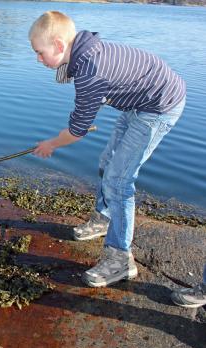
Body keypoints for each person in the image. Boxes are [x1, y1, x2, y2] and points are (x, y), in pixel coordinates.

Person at [27, 11, 194, 290]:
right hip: (138, 102)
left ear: (58, 45)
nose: (38, 59)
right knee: (107, 162)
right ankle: (104, 218)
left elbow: (77, 131)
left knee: (119, 179)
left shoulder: (91, 71)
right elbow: (94, 80)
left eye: (40, 53)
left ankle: (120, 260)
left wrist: (51, 144)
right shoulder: (83, 50)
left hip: (158, 107)